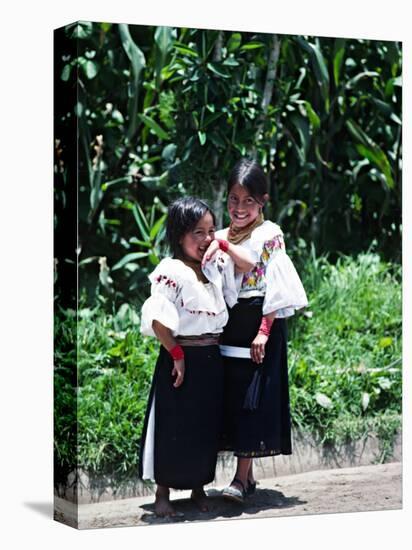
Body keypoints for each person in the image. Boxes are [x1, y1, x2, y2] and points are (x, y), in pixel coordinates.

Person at [139, 197, 254, 517]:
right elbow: (158, 320)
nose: (206, 240)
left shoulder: (214, 268)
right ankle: (162, 494)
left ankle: (197, 488)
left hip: (210, 358)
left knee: (204, 425)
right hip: (181, 359)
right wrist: (176, 354)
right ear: (179, 235)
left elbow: (248, 266)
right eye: (197, 233)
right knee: (173, 424)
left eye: (210, 231)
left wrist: (224, 246)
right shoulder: (171, 271)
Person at [214, 158, 308, 503]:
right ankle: (248, 478)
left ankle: (238, 480)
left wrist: (264, 332)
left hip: (260, 323)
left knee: (252, 401)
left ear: (262, 201)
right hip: (231, 325)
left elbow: (276, 287)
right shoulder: (220, 236)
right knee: (235, 399)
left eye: (248, 201)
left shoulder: (270, 235)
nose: (239, 209)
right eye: (233, 200)